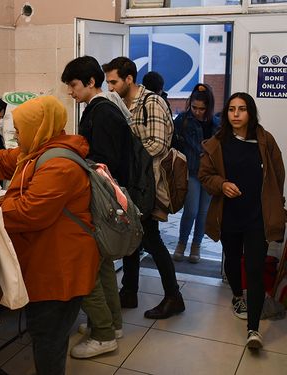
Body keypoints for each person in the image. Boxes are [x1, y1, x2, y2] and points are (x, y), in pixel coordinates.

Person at [0, 95, 100, 375]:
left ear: (39, 128)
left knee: (48, 338)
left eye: (19, 130)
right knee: (46, 333)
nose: (15, 136)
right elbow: (2, 160)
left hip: (60, 268)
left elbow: (29, 212)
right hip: (47, 261)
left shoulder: (59, 164)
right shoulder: (39, 150)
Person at [199, 92, 285, 350]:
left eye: (242, 109)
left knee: (255, 269)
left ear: (251, 113)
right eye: (231, 109)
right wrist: (222, 184)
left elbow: (277, 174)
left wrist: (274, 203)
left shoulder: (265, 140)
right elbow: (205, 175)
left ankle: (254, 330)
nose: (236, 114)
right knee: (233, 261)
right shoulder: (217, 142)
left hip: (257, 217)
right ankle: (238, 295)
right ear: (226, 113)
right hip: (230, 216)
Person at [103, 57, 185, 319]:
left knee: (151, 239)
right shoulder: (120, 103)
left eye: (114, 81)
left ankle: (174, 297)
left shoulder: (153, 102)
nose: (111, 87)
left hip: (150, 184)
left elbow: (158, 144)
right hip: (134, 184)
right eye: (108, 82)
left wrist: (125, 157)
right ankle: (129, 292)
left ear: (129, 79)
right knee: (132, 237)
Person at [61, 55, 131, 358]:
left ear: (91, 82)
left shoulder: (101, 113)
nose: (70, 92)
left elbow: (103, 163)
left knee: (94, 265)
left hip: (101, 202)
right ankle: (111, 324)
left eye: (74, 85)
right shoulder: (101, 108)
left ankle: (105, 333)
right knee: (102, 265)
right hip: (105, 200)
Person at [172, 83, 221, 263]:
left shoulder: (217, 124)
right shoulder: (182, 121)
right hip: (191, 171)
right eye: (194, 107)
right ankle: (182, 243)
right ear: (189, 104)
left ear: (208, 107)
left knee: (204, 212)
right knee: (191, 210)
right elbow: (174, 147)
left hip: (209, 175)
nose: (198, 112)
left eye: (202, 108)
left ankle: (196, 246)